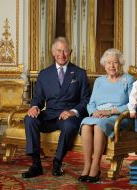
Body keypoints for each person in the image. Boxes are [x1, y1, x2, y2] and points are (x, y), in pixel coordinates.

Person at [22, 37, 91, 178]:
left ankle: (57, 162)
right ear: (53, 52)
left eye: (65, 51)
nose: (62, 54)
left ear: (70, 52)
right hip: (50, 114)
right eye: (58, 50)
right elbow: (38, 98)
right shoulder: (44, 74)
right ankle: (36, 164)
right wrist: (34, 107)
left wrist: (72, 112)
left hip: (69, 115)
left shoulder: (80, 73)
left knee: (68, 125)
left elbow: (86, 100)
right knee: (29, 119)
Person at [77, 48, 135, 183]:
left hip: (119, 117)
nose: (112, 66)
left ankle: (95, 166)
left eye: (115, 62)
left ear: (120, 64)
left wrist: (110, 112)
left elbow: (132, 104)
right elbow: (90, 104)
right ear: (104, 64)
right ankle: (87, 165)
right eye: (108, 63)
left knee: (98, 126)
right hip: (98, 115)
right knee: (85, 124)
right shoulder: (99, 81)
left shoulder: (128, 79)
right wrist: (94, 112)